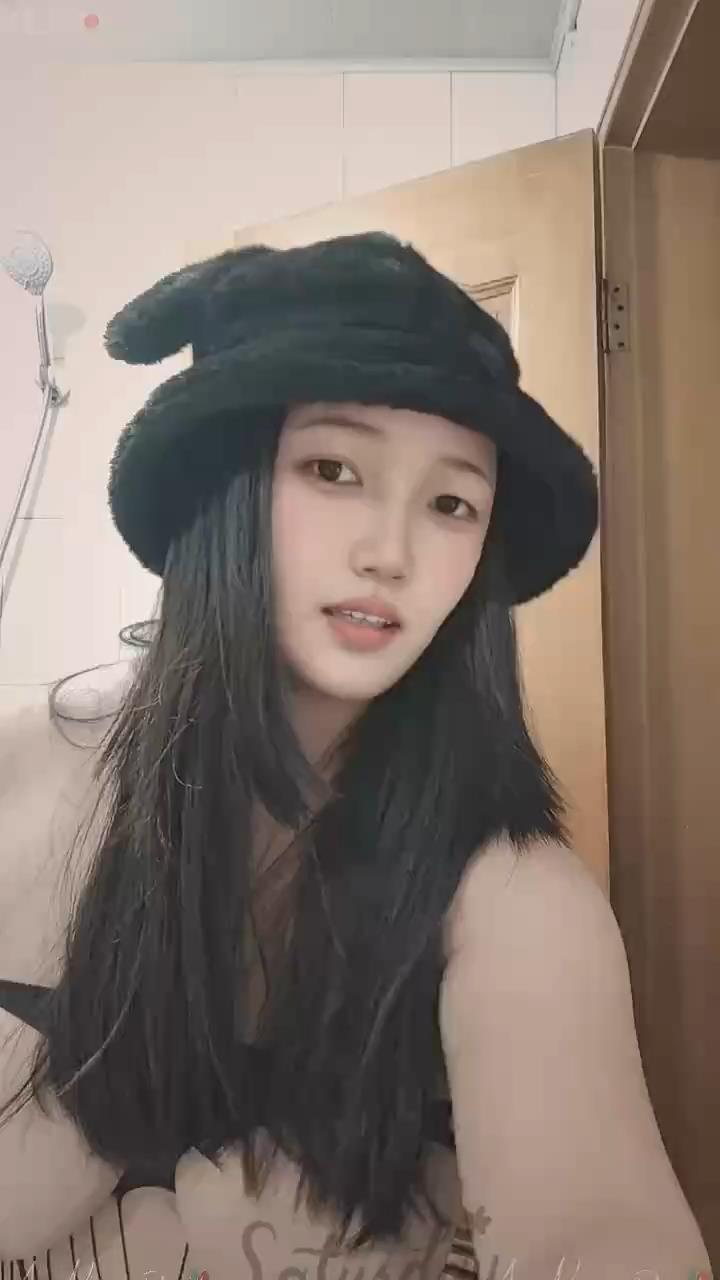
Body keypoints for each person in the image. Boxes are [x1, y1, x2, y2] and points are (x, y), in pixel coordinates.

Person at [0, 231, 711, 1280]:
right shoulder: (24, 774)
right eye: (333, 469)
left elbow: (598, 1225)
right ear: (229, 479)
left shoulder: (509, 892)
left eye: (452, 502)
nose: (391, 551)